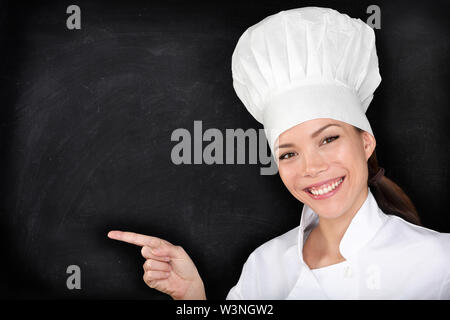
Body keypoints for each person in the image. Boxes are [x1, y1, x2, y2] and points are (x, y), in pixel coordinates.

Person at [107, 7, 450, 299]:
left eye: (328, 139)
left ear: (366, 142)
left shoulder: (437, 262)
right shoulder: (265, 264)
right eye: (288, 154)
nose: (312, 167)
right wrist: (195, 297)